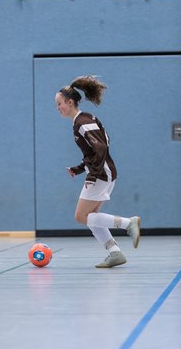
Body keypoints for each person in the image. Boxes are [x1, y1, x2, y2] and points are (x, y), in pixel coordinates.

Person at [55, 75, 140, 268]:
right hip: (104, 172)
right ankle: (115, 252)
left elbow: (101, 148)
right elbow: (97, 150)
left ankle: (129, 223)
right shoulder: (84, 120)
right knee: (92, 218)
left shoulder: (82, 121)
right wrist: (79, 169)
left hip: (102, 174)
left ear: (70, 102)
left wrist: (92, 175)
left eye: (59, 103)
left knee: (81, 217)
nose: (58, 108)